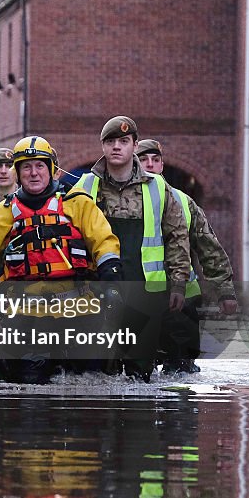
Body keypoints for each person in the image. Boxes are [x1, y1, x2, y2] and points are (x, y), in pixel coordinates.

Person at [0, 136, 122, 383]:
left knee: (89, 381)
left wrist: (112, 281)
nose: (34, 173)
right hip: (23, 314)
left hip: (77, 311)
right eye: (27, 167)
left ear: (51, 169)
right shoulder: (2, 214)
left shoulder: (78, 204)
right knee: (27, 390)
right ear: (18, 173)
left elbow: (104, 243)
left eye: (40, 166)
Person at [72, 117, 191, 381]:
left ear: (135, 145)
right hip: (97, 293)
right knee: (99, 372)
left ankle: (139, 420)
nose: (117, 147)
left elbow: (177, 237)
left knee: (140, 371)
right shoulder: (85, 186)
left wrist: (179, 284)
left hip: (145, 292)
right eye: (110, 141)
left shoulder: (158, 187)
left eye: (124, 141)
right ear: (102, 146)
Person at [136, 138, 239, 373]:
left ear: (162, 166)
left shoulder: (184, 202)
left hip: (182, 300)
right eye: (143, 160)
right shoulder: (123, 202)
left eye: (155, 160)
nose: (150, 165)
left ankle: (182, 407)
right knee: (138, 373)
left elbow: (209, 247)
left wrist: (225, 292)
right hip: (140, 299)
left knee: (181, 374)